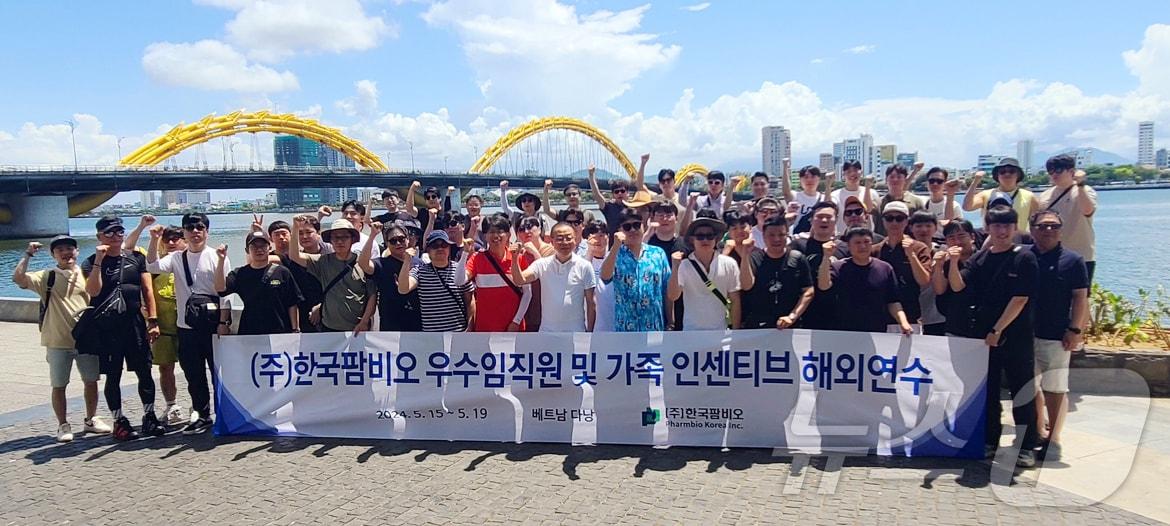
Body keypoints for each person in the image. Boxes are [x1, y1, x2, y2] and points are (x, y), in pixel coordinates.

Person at [947, 206, 1039, 467]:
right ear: (987, 228)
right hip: (987, 338)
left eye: (1007, 226)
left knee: (1022, 391)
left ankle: (1025, 445)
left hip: (1015, 335)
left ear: (1014, 228)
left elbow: (1020, 299)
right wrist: (953, 262)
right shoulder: (980, 258)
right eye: (996, 226)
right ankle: (989, 440)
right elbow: (957, 285)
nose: (1001, 231)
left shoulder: (1025, 257)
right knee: (988, 392)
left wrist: (998, 329)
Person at [13, 236, 111, 442]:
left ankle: (91, 419)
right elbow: (19, 279)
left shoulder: (86, 273)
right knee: (59, 384)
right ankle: (63, 424)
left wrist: (99, 261)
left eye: (70, 248)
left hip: (86, 340)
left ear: (76, 252)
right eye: (60, 250)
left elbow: (96, 291)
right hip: (57, 341)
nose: (66, 253)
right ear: (53, 255)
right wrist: (28, 255)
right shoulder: (47, 276)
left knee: (91, 381)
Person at [84, 216, 165, 440]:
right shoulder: (90, 262)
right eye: (109, 233)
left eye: (119, 232)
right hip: (108, 328)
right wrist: (99, 260)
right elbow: (92, 291)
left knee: (144, 371)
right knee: (113, 375)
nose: (115, 237)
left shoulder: (136, 258)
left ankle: (150, 416)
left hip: (135, 324)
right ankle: (119, 420)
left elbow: (148, 291)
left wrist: (153, 320)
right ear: (99, 236)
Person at [147, 213, 226, 435]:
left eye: (199, 227)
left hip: (212, 326)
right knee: (194, 374)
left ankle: (223, 414)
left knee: (218, 373)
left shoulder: (216, 255)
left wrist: (223, 322)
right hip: (186, 326)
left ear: (207, 231)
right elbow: (152, 266)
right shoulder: (176, 258)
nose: (195, 231)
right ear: (184, 232)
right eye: (189, 228)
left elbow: (224, 293)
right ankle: (202, 415)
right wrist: (154, 239)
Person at [1028, 210, 1089, 462]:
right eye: (1043, 226)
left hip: (1057, 335)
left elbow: (1080, 298)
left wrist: (1075, 329)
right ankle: (1038, 431)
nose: (1048, 230)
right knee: (1030, 388)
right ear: (1032, 229)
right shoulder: (1024, 256)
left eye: (1054, 226)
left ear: (1061, 230)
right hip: (1025, 333)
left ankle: (1054, 439)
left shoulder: (1073, 260)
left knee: (1055, 389)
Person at [817, 227, 913, 335]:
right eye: (857, 243)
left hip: (876, 331)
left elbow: (893, 301)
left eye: (866, 242)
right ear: (849, 246)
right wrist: (826, 257)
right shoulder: (838, 267)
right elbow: (823, 286)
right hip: (842, 332)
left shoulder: (885, 268)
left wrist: (903, 323)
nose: (862, 246)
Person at [287, 217, 376, 333]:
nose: (339, 241)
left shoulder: (363, 263)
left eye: (344, 237)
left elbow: (372, 295)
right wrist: (295, 227)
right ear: (330, 241)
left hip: (358, 327)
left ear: (353, 239)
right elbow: (294, 255)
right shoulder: (322, 261)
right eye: (335, 238)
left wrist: (364, 322)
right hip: (329, 327)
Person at [511, 222, 597, 331]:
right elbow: (519, 280)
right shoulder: (542, 264)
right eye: (560, 239)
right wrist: (514, 259)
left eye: (568, 238)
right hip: (547, 332)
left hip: (576, 332)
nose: (564, 242)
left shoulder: (585, 266)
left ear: (575, 240)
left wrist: (589, 333)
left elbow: (591, 302)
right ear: (552, 241)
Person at [214, 232, 302, 335]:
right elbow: (220, 288)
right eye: (254, 246)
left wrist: (295, 329)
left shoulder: (283, 272)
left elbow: (292, 303)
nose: (259, 249)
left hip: (279, 330)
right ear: (247, 250)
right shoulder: (240, 273)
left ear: (269, 248)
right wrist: (221, 260)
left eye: (263, 246)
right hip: (250, 331)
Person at [142, 225, 187, 425]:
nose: (171, 242)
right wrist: (151, 321)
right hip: (164, 327)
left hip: (188, 327)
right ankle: (172, 405)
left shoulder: (192, 261)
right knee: (165, 368)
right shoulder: (156, 266)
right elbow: (146, 292)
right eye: (167, 239)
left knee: (193, 368)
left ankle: (198, 405)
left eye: (176, 238)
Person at [601, 208, 671, 332]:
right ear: (620, 230)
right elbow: (605, 277)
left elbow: (667, 290)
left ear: (643, 226)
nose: (633, 230)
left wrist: (671, 321)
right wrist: (616, 245)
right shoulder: (614, 254)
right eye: (627, 227)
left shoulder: (658, 253)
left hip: (654, 326)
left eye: (636, 225)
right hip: (625, 329)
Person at [739, 215, 814, 330]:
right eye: (771, 235)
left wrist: (793, 316)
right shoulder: (754, 258)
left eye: (781, 235)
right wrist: (745, 256)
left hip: (789, 325)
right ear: (763, 236)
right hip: (758, 326)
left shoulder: (798, 258)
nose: (776, 239)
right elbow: (746, 286)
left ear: (787, 235)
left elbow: (808, 291)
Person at [668, 215, 742, 330]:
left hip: (721, 334)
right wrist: (675, 267)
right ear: (693, 240)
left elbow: (735, 300)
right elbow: (673, 296)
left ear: (716, 239)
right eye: (700, 236)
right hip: (691, 333)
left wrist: (736, 333)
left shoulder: (729, 264)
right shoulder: (684, 265)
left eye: (709, 236)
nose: (705, 240)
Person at [399, 231, 475, 332]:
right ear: (428, 250)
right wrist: (407, 261)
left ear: (449, 248)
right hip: (431, 336)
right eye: (435, 246)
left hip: (458, 333)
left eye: (444, 245)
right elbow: (403, 289)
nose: (440, 248)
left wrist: (470, 327)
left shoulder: (460, 270)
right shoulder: (419, 271)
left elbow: (470, 301)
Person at [1039, 154, 1098, 284]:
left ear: (1072, 171)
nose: (1054, 174)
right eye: (1051, 171)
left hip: (1082, 255)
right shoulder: (1044, 195)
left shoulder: (1085, 191)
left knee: (1081, 298)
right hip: (1052, 254)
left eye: (1059, 170)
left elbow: (1088, 211)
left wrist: (1080, 184)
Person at [468, 214, 533, 332]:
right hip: (485, 328)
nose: (496, 235)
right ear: (485, 235)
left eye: (500, 231)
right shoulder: (476, 258)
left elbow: (527, 293)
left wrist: (516, 321)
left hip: (513, 327)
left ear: (508, 235)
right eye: (491, 232)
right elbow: (459, 281)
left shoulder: (518, 258)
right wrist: (464, 254)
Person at [872, 202, 932, 327]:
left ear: (906, 222)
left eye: (899, 219)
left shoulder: (919, 247)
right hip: (880, 316)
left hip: (911, 315)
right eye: (889, 218)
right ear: (883, 221)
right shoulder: (875, 250)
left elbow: (924, 280)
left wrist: (911, 255)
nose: (894, 223)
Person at [787, 202, 845, 330]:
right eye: (819, 216)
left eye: (829, 217)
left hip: (837, 316)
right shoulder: (797, 246)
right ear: (811, 220)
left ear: (836, 221)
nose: (824, 220)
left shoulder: (845, 247)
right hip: (804, 314)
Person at [359, 221, 422, 331]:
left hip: (417, 322)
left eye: (401, 239)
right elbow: (363, 264)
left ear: (408, 239)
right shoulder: (381, 264)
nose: (398, 243)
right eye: (393, 241)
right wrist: (372, 236)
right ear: (386, 244)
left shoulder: (419, 263)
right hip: (391, 323)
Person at [931, 219, 980, 338]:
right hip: (954, 324)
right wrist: (938, 265)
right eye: (951, 238)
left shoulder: (982, 259)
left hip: (980, 324)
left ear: (972, 237)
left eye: (961, 236)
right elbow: (939, 290)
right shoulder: (947, 262)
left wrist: (953, 261)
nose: (957, 241)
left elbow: (958, 286)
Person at [962, 158, 1039, 231]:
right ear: (997, 176)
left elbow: (1036, 222)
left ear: (1018, 175)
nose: (1007, 174)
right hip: (992, 241)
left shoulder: (1030, 196)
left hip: (1020, 241)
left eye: (1011, 171)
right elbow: (967, 207)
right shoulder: (985, 195)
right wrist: (976, 181)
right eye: (1002, 172)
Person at [645, 201, 687, 329]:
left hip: (681, 306)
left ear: (676, 218)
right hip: (651, 307)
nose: (664, 219)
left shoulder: (685, 245)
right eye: (660, 215)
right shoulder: (647, 244)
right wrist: (647, 233)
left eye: (669, 214)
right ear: (652, 218)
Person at [908, 212, 946, 335]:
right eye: (918, 226)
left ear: (935, 228)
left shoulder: (944, 251)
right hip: (911, 316)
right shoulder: (903, 251)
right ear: (911, 228)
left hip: (938, 316)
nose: (923, 230)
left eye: (928, 225)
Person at [874, 164, 926, 236]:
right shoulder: (879, 203)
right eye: (892, 177)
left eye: (899, 177)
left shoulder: (916, 202)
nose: (895, 180)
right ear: (886, 180)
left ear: (905, 179)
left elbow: (923, 225)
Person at [584, 222, 616, 332]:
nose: (598, 240)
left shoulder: (614, 258)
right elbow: (581, 279)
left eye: (602, 236)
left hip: (612, 320)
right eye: (594, 237)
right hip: (589, 322)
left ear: (608, 237)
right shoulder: (582, 260)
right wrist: (590, 250)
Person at [831, 160, 877, 234]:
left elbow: (868, 210)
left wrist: (867, 187)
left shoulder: (872, 192)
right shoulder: (835, 195)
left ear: (861, 172)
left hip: (866, 237)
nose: (852, 174)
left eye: (855, 170)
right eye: (848, 171)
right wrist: (828, 186)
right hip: (843, 237)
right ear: (843, 174)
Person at [586, 163, 632, 235]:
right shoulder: (608, 207)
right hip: (614, 244)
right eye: (616, 192)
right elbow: (597, 195)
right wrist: (591, 176)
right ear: (613, 195)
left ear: (627, 193)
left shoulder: (634, 207)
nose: (619, 193)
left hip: (631, 242)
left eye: (622, 191)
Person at [786, 166, 831, 235]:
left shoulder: (823, 197)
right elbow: (786, 191)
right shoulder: (795, 196)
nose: (809, 180)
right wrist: (785, 167)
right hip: (798, 237)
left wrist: (828, 185)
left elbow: (828, 207)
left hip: (818, 236)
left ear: (819, 179)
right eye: (806, 177)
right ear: (800, 180)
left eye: (813, 177)